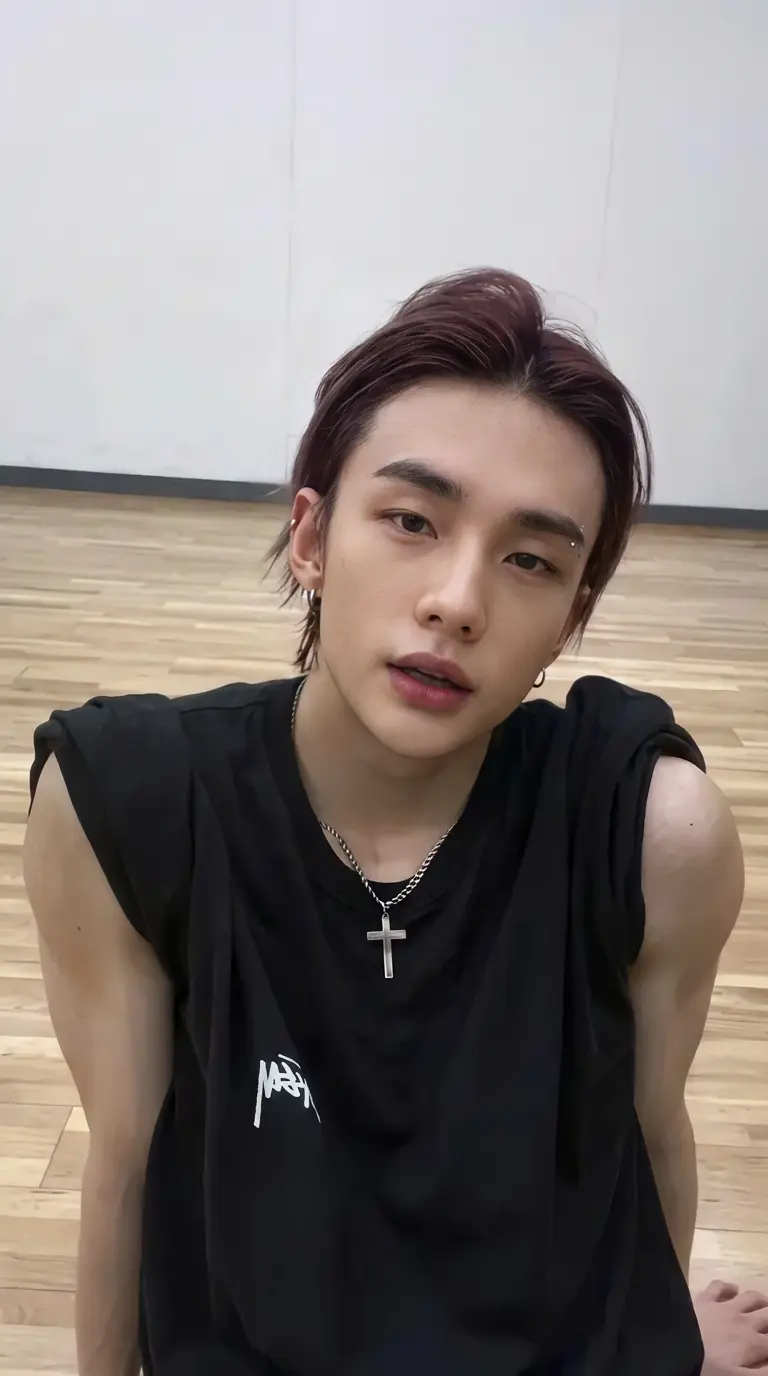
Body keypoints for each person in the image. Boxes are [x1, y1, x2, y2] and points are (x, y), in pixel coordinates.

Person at [23, 269, 768, 1376]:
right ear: (312, 539)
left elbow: (651, 1133)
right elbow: (121, 1165)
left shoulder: (653, 833)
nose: (457, 601)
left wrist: (655, 1339)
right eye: (412, 520)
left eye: (530, 559)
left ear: (572, 616)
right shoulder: (127, 804)